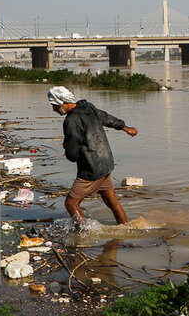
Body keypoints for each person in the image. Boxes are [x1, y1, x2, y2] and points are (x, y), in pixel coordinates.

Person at [48, 86, 138, 227]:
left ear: (62, 103)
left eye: (54, 105)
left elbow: (72, 155)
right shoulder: (88, 108)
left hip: (91, 169)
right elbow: (107, 118)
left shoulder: (71, 121)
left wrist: (67, 149)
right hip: (106, 163)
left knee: (71, 203)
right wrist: (126, 128)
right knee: (112, 202)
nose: (53, 109)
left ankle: (84, 235)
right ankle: (126, 229)